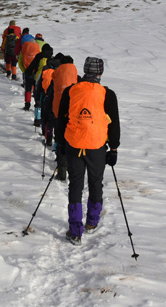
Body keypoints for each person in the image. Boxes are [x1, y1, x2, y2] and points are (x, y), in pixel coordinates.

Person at [56, 57, 120, 245]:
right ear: (100, 73)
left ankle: (75, 230)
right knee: (95, 182)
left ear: (84, 71)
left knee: (75, 185)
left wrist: (60, 145)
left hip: (74, 144)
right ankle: (92, 223)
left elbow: (61, 120)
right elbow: (114, 123)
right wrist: (114, 148)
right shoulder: (107, 94)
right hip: (97, 146)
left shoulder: (71, 91)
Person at [45, 54, 77, 181]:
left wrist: (47, 113)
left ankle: (62, 169)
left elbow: (50, 94)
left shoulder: (56, 77)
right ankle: (71, 166)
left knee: (60, 141)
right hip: (74, 114)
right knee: (71, 141)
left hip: (58, 113)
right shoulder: (77, 78)